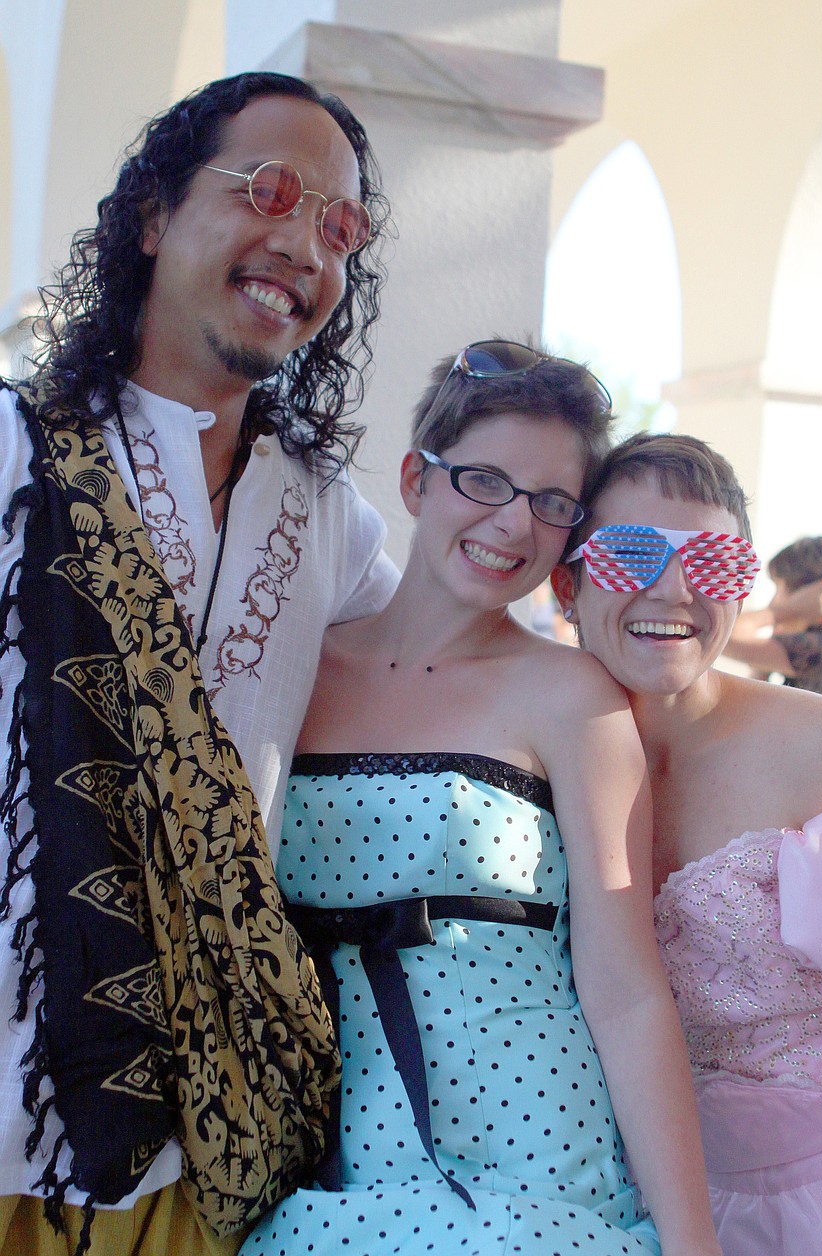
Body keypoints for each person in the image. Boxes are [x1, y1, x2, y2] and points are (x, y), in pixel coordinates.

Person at [0, 71, 397, 1255]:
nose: (303, 245)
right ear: (153, 214)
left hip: (204, 1124)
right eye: (268, 191)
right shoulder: (16, 451)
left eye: (339, 227)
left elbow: (462, 674)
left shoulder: (334, 522)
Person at [242, 341, 721, 1256]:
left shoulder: (572, 697)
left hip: (529, 1150)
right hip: (318, 1139)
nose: (513, 525)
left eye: (551, 504)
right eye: (485, 481)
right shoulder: (295, 667)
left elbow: (623, 989)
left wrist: (691, 1239)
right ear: (418, 479)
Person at [553, 433, 822, 1254]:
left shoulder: (819, 745)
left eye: (714, 563)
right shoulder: (525, 757)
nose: (673, 588)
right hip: (615, 1200)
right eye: (631, 553)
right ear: (567, 580)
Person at [722, 535, 822, 707]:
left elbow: (723, 635)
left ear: (811, 592)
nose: (772, 601)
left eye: (779, 588)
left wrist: (780, 612)